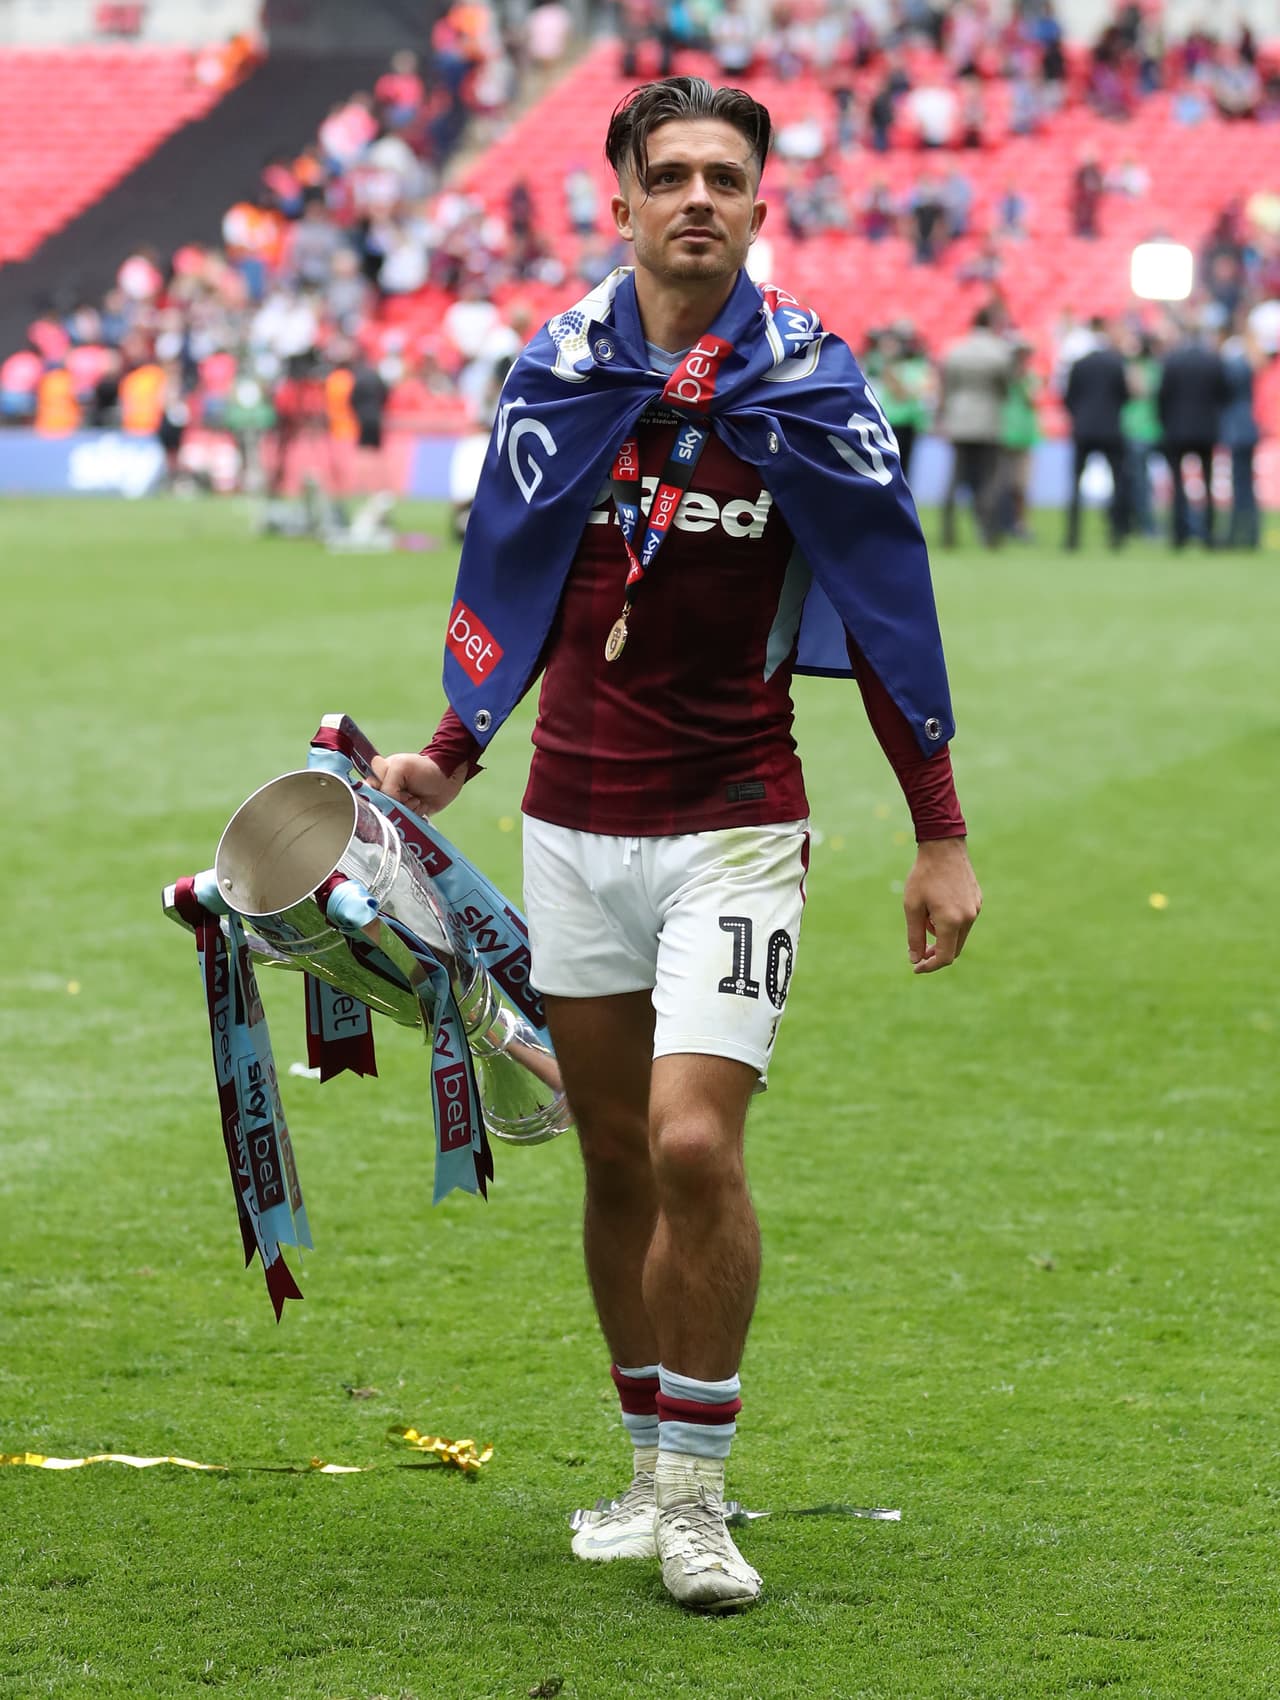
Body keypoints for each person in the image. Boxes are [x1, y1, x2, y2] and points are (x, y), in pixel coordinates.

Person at [371, 76, 981, 1615]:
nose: (698, 197)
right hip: (571, 825)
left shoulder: (811, 385)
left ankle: (701, 1500)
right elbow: (512, 575)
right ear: (623, 201)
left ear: (761, 202)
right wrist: (448, 755)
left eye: (724, 175)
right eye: (671, 175)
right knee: (616, 1156)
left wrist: (940, 834)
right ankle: (647, 1466)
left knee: (696, 1144)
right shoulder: (559, 371)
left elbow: (890, 609)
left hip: (737, 826)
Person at [937, 305, 1013, 547]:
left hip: (959, 418)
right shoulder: (999, 351)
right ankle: (989, 533)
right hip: (988, 420)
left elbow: (947, 386)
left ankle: (947, 532)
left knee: (955, 477)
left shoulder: (956, 350)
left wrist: (944, 415)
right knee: (989, 479)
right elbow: (1006, 387)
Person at [1158, 322, 1228, 549]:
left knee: (1178, 485)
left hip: (1177, 430)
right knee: (1207, 483)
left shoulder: (1172, 361)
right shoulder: (1213, 361)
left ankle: (1179, 535)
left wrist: (1165, 423)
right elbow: (1223, 394)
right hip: (1206, 430)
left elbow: (1162, 397)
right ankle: (1208, 535)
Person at [1062, 317, 1130, 550]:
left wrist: (1080, 416)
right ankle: (1116, 535)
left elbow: (1068, 398)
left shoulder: (1079, 365)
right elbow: (1124, 395)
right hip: (1111, 429)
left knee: (1075, 484)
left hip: (1084, 429)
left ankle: (1072, 537)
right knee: (1118, 483)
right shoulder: (1116, 363)